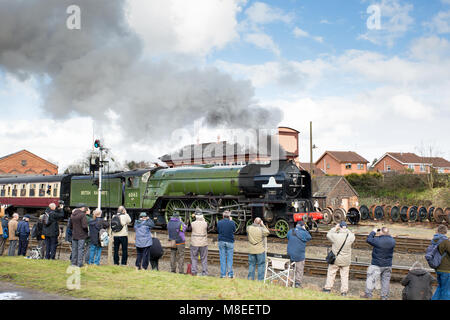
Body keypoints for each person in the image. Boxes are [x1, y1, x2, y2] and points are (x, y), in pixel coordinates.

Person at [361, 227, 396, 300]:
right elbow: (388, 237)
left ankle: (368, 294)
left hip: (376, 264)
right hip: (387, 265)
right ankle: (384, 297)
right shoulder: (393, 241)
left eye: (380, 232)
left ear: (381, 232)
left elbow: (368, 239)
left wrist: (373, 231)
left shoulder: (377, 240)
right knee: (385, 282)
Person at [323, 221, 355, 295]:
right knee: (344, 276)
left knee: (331, 273)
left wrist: (335, 228)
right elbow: (352, 234)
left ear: (339, 227)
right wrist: (346, 229)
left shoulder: (335, 236)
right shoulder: (350, 237)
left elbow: (328, 235)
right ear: (346, 228)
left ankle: (328, 288)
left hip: (336, 260)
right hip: (346, 260)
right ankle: (344, 291)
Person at [286, 220, 312, 288]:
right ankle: (297, 283)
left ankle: (290, 281)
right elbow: (309, 237)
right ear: (303, 226)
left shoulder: (290, 231)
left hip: (290, 254)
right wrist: (305, 230)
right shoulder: (304, 233)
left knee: (291, 268)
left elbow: (288, 237)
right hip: (299, 255)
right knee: (299, 269)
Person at [431, 224, 450, 300]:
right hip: (446, 269)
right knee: (446, 290)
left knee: (440, 287)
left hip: (438, 268)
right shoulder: (445, 241)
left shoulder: (434, 240)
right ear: (445, 231)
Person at [217, 210, 236, 278]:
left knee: (222, 258)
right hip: (230, 241)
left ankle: (223, 274)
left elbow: (218, 230)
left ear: (223, 216)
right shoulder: (232, 223)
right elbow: (234, 230)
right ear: (229, 216)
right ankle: (230, 274)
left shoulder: (219, 222)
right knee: (230, 258)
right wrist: (231, 221)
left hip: (221, 241)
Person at [190, 210, 208, 276]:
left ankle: (194, 272)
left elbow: (189, 228)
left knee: (194, 258)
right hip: (203, 243)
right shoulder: (205, 223)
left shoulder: (192, 223)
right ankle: (205, 272)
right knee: (204, 258)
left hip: (194, 243)